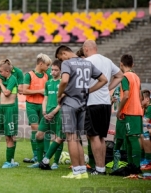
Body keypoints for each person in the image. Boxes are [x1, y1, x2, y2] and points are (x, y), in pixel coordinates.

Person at [55, 45, 107, 179]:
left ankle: (76, 171)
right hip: (83, 103)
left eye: (61, 58)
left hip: (69, 102)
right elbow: (104, 80)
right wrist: (89, 90)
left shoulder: (67, 63)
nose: (62, 61)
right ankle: (82, 171)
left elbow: (64, 80)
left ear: (65, 53)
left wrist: (59, 94)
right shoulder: (87, 63)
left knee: (71, 137)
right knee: (78, 138)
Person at [82, 40, 124, 175]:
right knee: (101, 137)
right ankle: (102, 167)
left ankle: (99, 169)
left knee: (93, 136)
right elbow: (120, 75)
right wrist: (108, 88)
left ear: (86, 49)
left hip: (92, 102)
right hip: (106, 104)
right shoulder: (107, 60)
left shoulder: (88, 62)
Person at [32, 60, 65, 170]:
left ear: (61, 71)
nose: (53, 72)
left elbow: (62, 102)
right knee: (38, 135)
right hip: (47, 114)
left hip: (58, 113)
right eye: (52, 69)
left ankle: (55, 162)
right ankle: (40, 161)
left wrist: (53, 112)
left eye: (56, 70)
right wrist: (44, 112)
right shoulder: (48, 82)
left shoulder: (63, 83)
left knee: (57, 137)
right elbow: (45, 98)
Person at [114, 54, 143, 169]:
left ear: (121, 64)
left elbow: (125, 95)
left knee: (132, 138)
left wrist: (119, 110)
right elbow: (140, 96)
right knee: (130, 137)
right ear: (133, 64)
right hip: (137, 111)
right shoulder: (136, 76)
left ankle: (135, 167)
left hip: (130, 111)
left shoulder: (125, 76)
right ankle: (132, 166)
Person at [23, 53, 51, 163]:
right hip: (31, 105)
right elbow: (25, 91)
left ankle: (45, 154)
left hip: (44, 106)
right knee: (35, 129)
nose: (48, 67)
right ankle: (36, 155)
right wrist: (40, 91)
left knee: (45, 130)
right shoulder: (29, 75)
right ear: (41, 64)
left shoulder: (47, 75)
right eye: (47, 65)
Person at [141, 90, 151, 167]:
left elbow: (145, 122)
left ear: (147, 99)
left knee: (144, 134)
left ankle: (148, 159)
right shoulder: (145, 108)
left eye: (141, 99)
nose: (139, 101)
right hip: (148, 128)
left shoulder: (150, 108)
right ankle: (142, 157)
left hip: (148, 129)